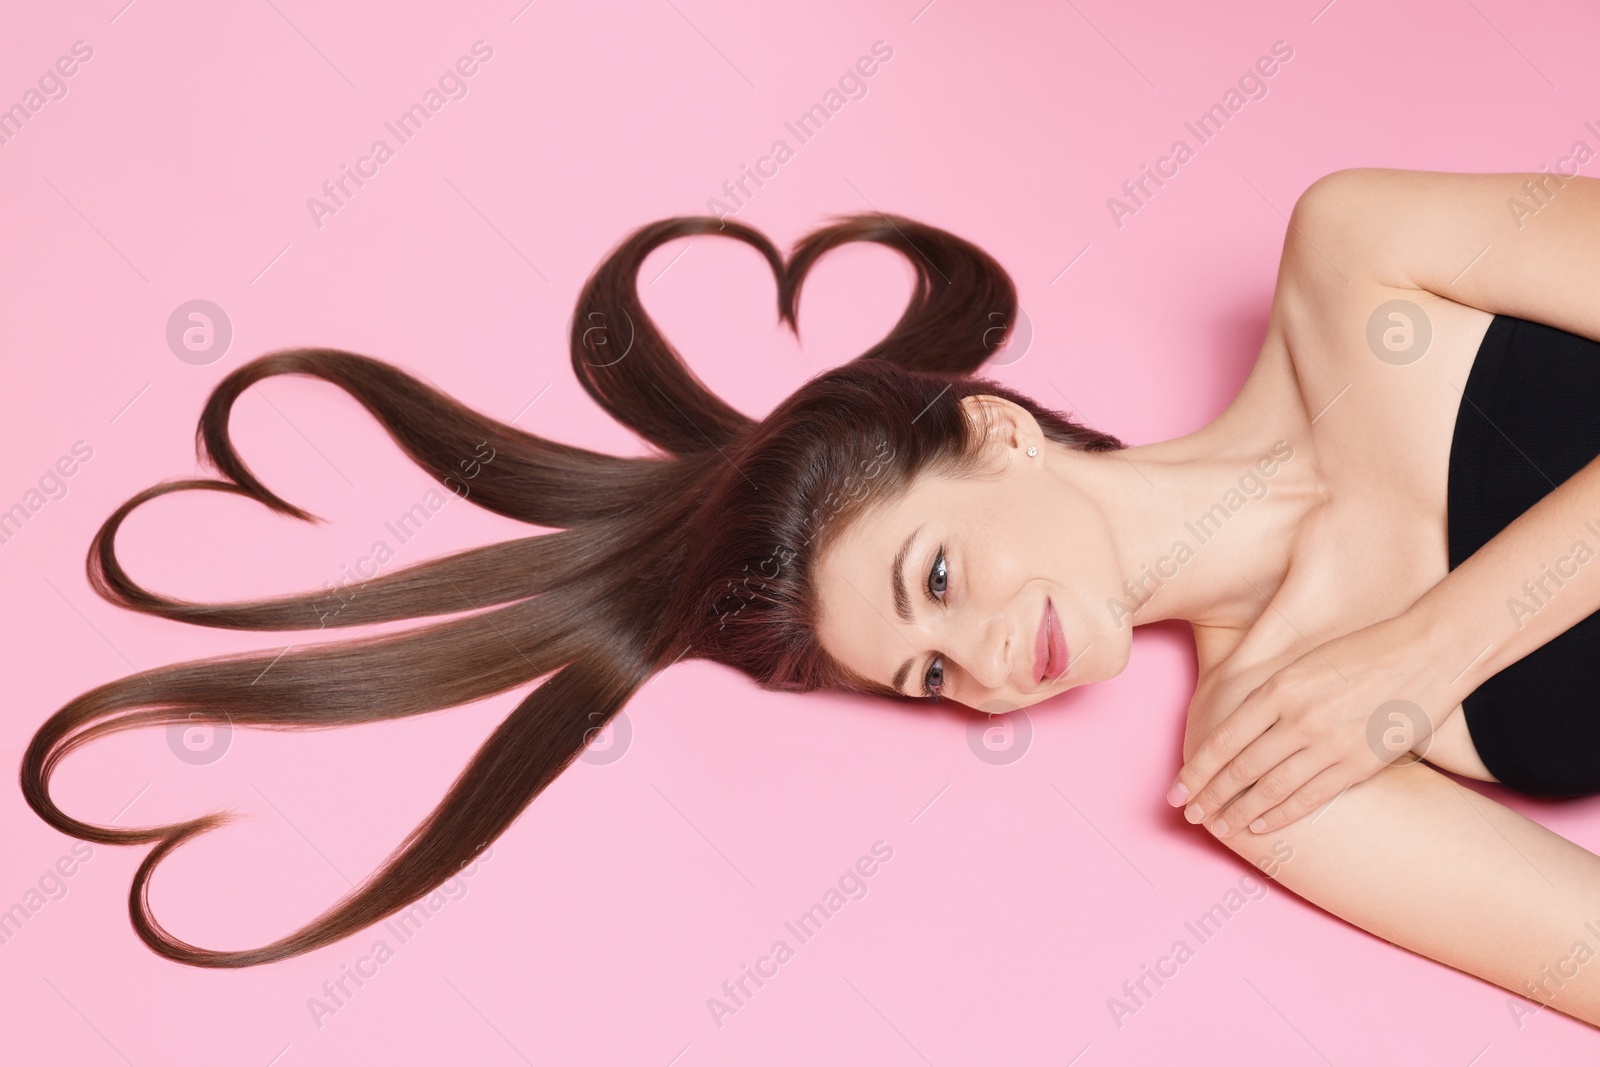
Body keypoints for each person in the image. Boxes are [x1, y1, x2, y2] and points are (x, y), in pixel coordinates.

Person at [22, 168, 1600, 1028]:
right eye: (926, 674)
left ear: (995, 434)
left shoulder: (1361, 258)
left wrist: (1426, 652)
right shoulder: (1270, 769)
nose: (986, 666)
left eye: (936, 577)